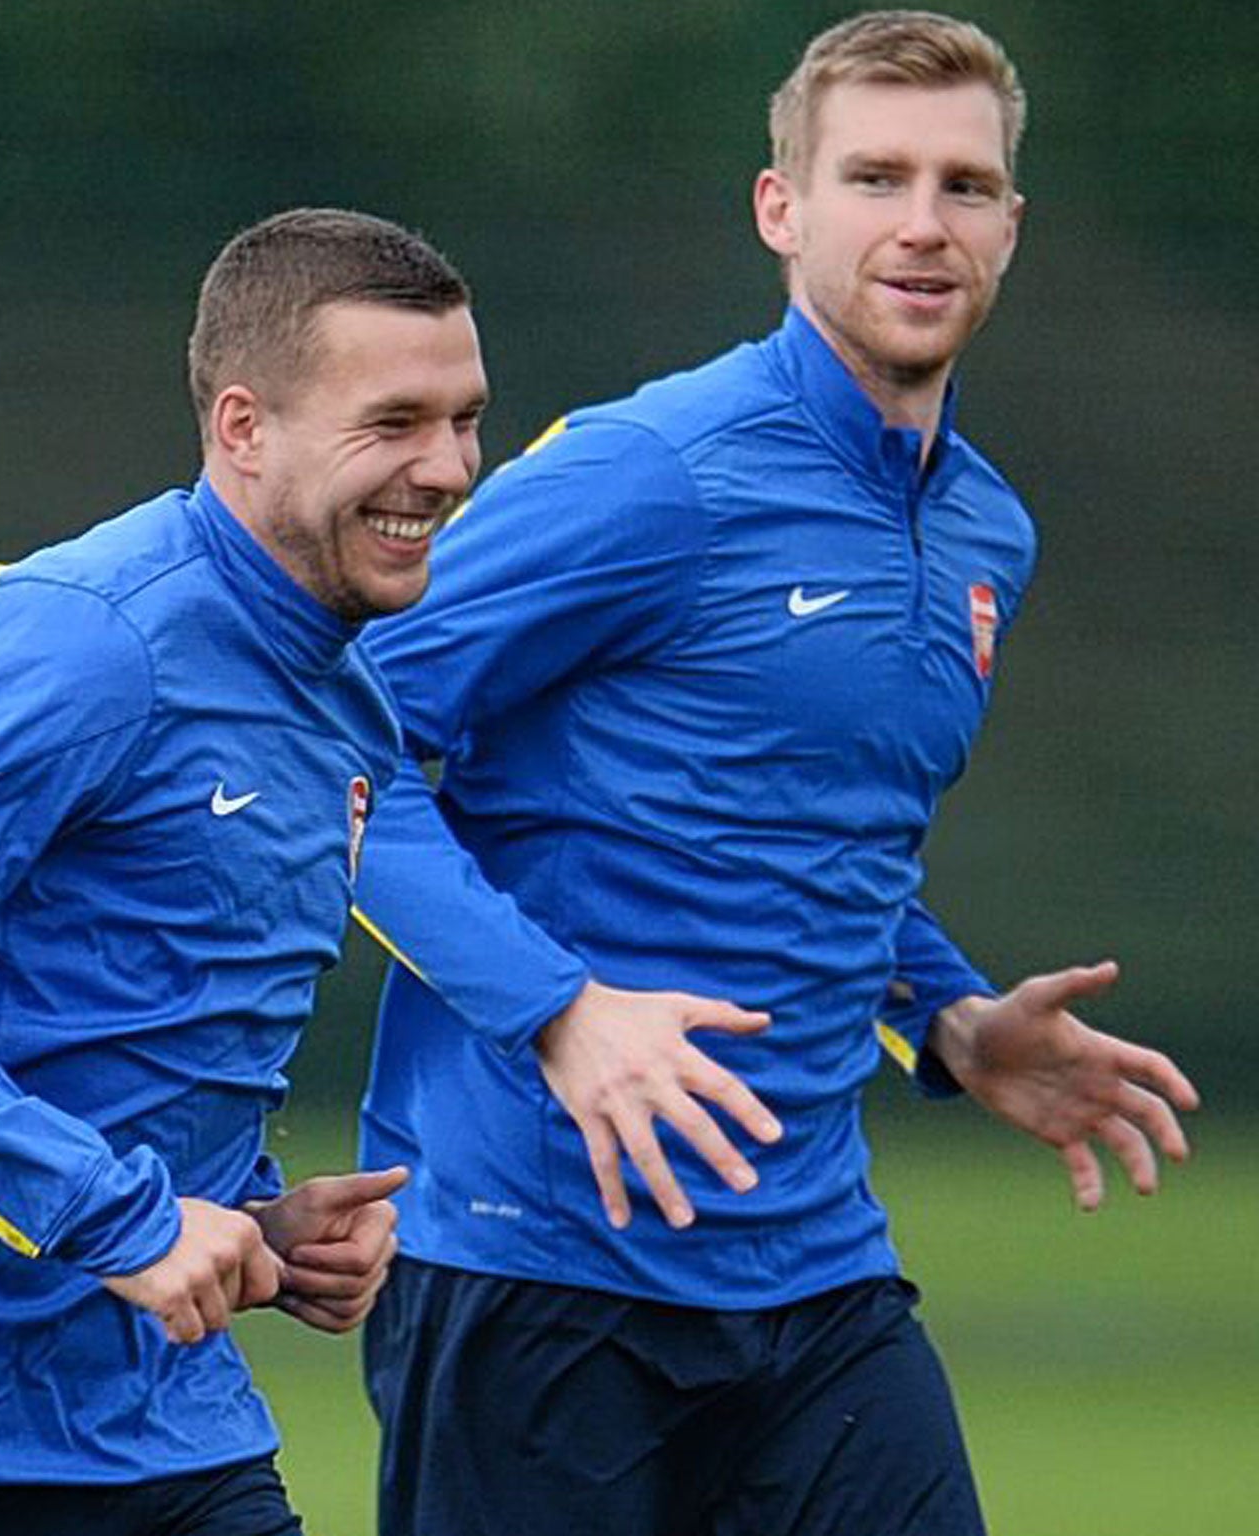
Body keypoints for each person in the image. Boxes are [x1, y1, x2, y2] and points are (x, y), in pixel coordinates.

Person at [349, 13, 1200, 1536]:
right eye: (875, 176)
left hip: (817, 1280)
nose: (924, 224)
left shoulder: (987, 532)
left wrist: (946, 1016)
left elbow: (801, 834)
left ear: (1013, 225)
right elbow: (339, 750)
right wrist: (560, 1014)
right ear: (782, 209)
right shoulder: (651, 471)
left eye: (966, 185)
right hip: (534, 1262)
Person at [0, 207, 488, 1536]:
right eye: (394, 422)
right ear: (243, 428)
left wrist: (256, 1227)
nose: (449, 466)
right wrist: (116, 1219)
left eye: (465, 419)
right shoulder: (87, 640)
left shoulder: (350, 703)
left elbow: (115, 1021)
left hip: (162, 1432)